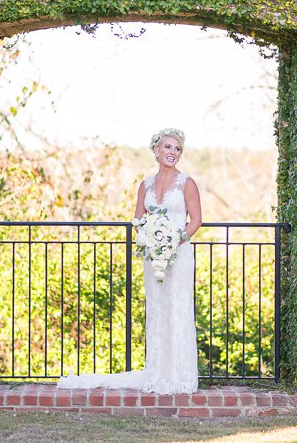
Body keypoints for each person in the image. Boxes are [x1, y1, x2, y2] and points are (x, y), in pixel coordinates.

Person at [57, 127, 202, 394]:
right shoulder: (144, 185)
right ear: (157, 150)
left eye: (177, 149)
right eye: (168, 147)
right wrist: (149, 239)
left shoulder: (187, 183)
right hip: (153, 256)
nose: (172, 152)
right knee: (158, 310)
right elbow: (138, 220)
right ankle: (158, 371)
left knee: (177, 308)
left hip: (178, 255)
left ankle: (180, 376)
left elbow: (196, 221)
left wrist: (173, 241)